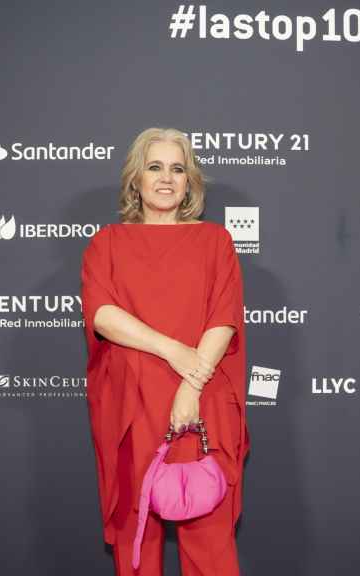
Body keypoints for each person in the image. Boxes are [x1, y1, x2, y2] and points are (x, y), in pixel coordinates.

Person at [80, 127, 249, 575]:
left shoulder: (215, 241)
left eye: (178, 169)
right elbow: (102, 315)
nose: (166, 178)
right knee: (137, 541)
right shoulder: (107, 243)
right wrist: (174, 350)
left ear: (190, 181)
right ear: (136, 179)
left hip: (203, 398)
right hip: (131, 407)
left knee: (210, 542)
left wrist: (191, 385)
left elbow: (223, 319)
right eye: (154, 167)